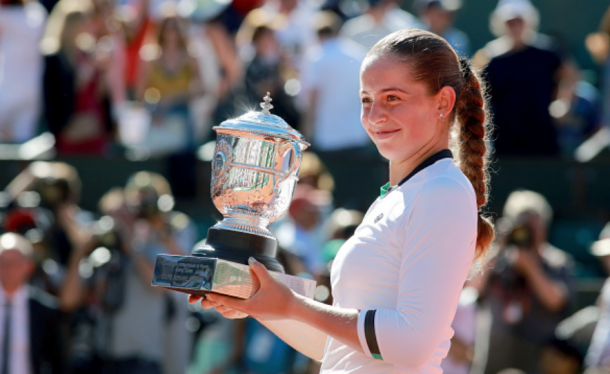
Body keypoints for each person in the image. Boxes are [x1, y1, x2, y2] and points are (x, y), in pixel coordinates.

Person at [189, 28, 496, 373]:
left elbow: (412, 343)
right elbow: (336, 347)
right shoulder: (398, 196)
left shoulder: (443, 191)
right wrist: (258, 303)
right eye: (366, 100)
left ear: (442, 102)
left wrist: (293, 306)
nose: (375, 115)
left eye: (393, 98)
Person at [477, 190, 575, 374]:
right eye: (522, 226)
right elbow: (473, 289)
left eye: (533, 226)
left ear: (544, 229)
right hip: (495, 360)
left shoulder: (558, 262)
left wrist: (530, 268)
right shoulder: (497, 260)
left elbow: (557, 301)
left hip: (538, 361)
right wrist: (499, 246)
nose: (527, 233)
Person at [472, 0, 577, 158]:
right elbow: (475, 88)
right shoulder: (489, 56)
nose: (515, 27)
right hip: (505, 138)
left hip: (542, 135)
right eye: (510, 22)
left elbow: (571, 75)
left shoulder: (548, 51)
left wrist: (563, 105)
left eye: (519, 21)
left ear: (529, 21)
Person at [0, 232, 64, 374]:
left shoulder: (45, 310)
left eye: (14, 263)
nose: (7, 269)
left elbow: (57, 361)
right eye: (3, 262)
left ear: (28, 266)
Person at [0, 0, 47, 144]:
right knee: (23, 143)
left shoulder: (5, 16)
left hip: (7, 90)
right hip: (31, 89)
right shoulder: (38, 14)